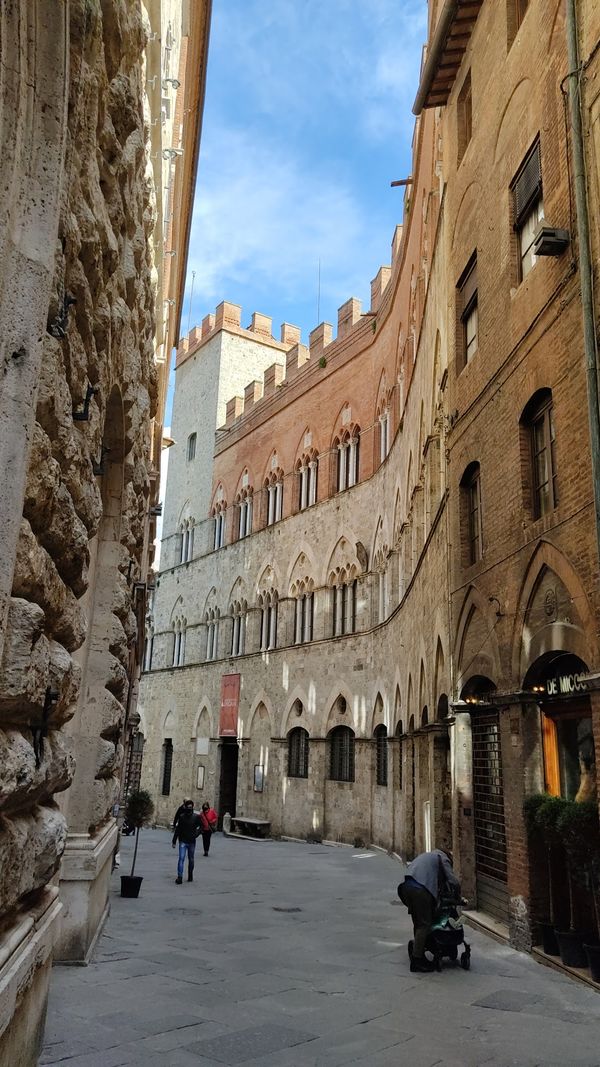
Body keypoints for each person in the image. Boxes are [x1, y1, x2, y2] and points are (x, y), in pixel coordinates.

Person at [398, 848, 461, 973]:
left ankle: (419, 947)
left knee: (418, 921)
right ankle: (417, 960)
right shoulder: (442, 858)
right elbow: (452, 880)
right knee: (424, 924)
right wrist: (458, 896)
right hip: (419, 890)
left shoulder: (427, 855)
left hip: (405, 888)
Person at [171, 799, 202, 883]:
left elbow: (201, 827)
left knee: (191, 859)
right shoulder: (182, 817)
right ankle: (180, 876)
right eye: (188, 807)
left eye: (190, 807)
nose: (189, 808)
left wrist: (196, 834)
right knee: (181, 858)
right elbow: (178, 829)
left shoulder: (196, 817)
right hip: (183, 841)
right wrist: (174, 841)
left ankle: (190, 874)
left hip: (192, 841)